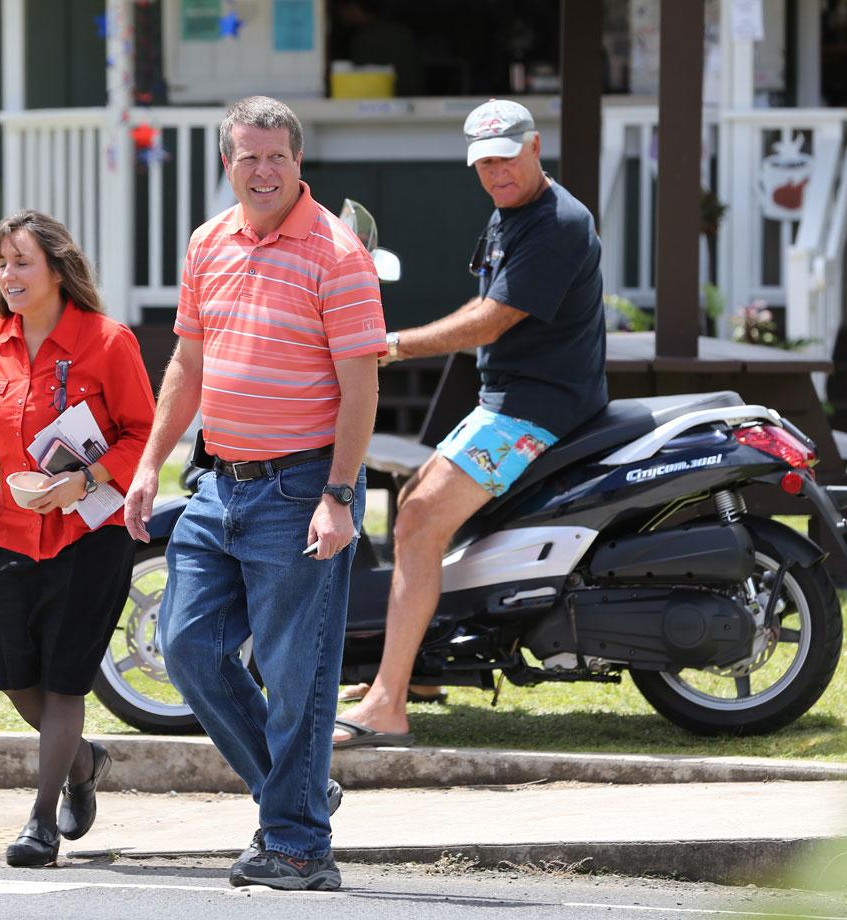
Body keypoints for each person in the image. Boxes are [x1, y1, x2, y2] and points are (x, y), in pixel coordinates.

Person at [124, 96, 385, 892]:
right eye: (248, 156)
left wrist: (337, 496)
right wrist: (146, 464)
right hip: (219, 482)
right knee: (187, 646)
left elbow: (360, 388)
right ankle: (296, 791)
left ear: (298, 161)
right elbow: (185, 368)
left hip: (304, 484)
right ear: (227, 164)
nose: (263, 170)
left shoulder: (339, 256)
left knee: (293, 673)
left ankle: (300, 846)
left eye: (276, 156)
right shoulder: (208, 243)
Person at [333, 98, 607, 749]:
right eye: (483, 162)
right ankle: (419, 668)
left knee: (420, 517)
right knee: (416, 510)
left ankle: (389, 703)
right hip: (508, 400)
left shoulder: (557, 222)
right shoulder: (511, 212)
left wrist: (391, 345)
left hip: (536, 409)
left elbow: (490, 320)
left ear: (535, 146)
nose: (495, 171)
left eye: (506, 157)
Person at [0, 209, 155, 868]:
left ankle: (41, 823)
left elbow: (143, 434)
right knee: (16, 678)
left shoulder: (108, 341)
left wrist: (86, 478)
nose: (8, 275)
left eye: (22, 261)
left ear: (58, 269)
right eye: (2, 263)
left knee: (66, 683)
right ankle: (84, 762)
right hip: (15, 534)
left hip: (92, 537)